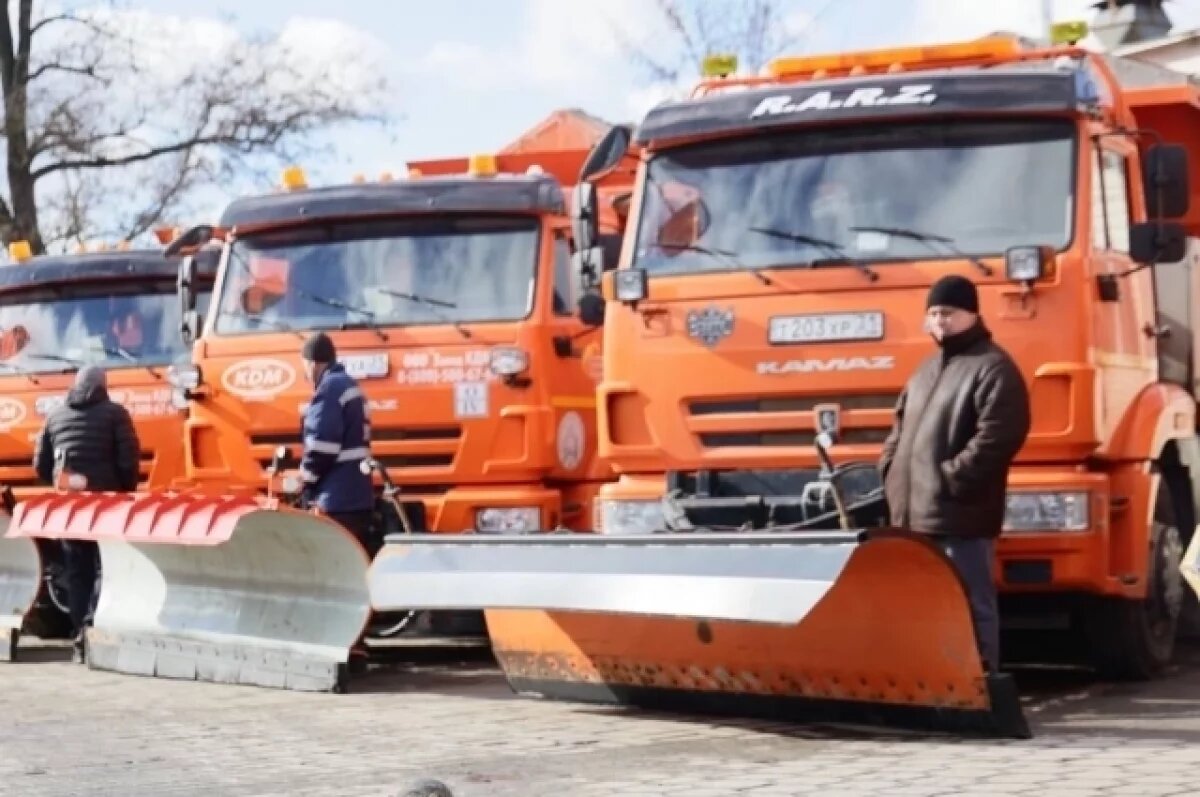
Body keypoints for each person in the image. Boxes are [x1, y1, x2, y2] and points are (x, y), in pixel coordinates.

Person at [878, 275, 1031, 673]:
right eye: (932, 314)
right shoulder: (924, 372)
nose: (939, 321)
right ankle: (934, 684)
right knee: (923, 607)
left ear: (972, 314)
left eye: (948, 313)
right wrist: (890, 469)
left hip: (960, 514)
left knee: (971, 601)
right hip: (913, 516)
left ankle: (982, 685)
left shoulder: (993, 368)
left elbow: (1000, 433)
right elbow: (899, 429)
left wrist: (952, 478)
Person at [33, 365, 140, 655]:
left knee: (78, 572)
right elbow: (129, 460)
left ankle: (81, 634)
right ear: (103, 385)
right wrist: (125, 490)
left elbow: (40, 466)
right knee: (109, 569)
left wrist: (63, 484)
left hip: (70, 508)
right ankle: (104, 627)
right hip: (107, 506)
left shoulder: (54, 416)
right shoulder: (115, 414)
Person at [298, 331, 377, 555]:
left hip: (336, 501)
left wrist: (305, 478)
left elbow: (322, 446)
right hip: (358, 497)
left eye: (304, 366)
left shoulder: (329, 390)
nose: (305, 374)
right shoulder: (350, 385)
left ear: (313, 364)